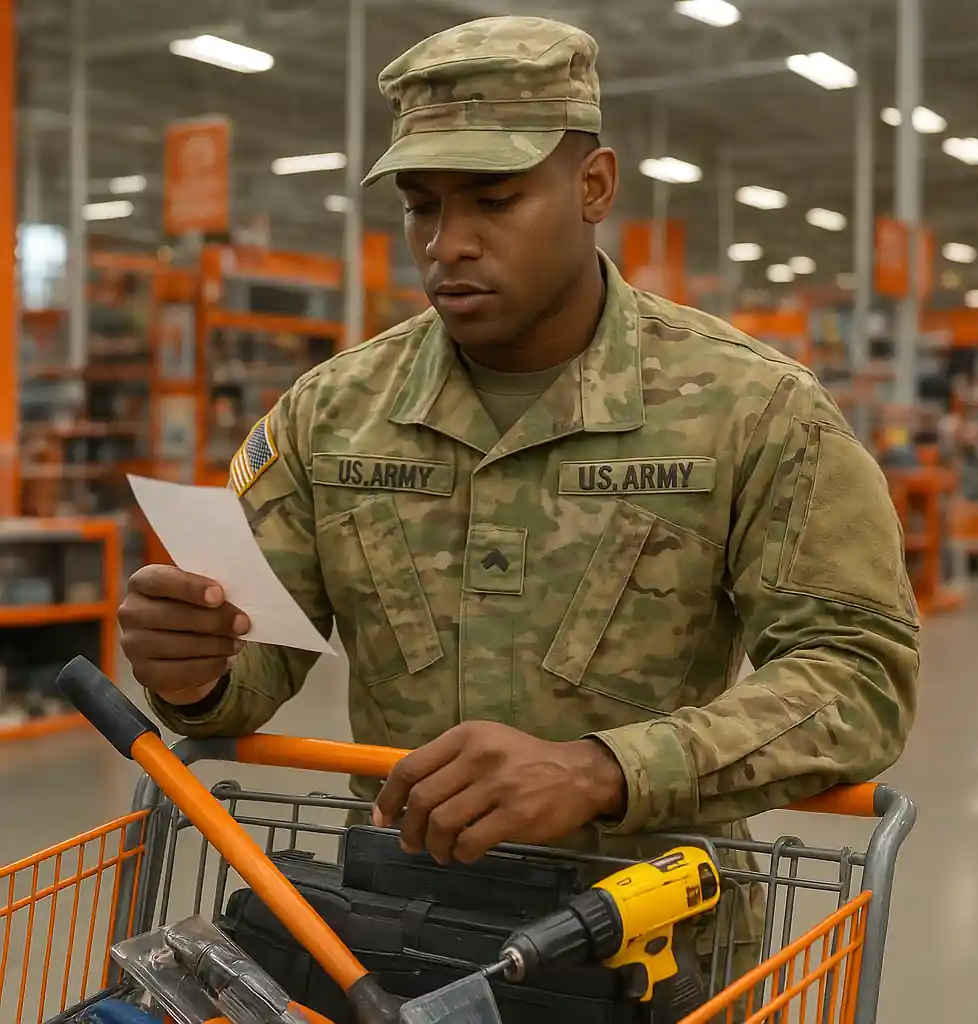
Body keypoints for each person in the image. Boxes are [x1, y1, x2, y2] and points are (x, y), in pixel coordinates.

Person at [119, 15, 918, 960]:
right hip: (396, 937)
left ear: (594, 186)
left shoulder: (753, 412)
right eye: (422, 206)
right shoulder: (329, 416)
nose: (448, 243)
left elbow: (859, 674)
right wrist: (195, 669)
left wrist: (606, 770)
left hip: (648, 947)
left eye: (493, 200)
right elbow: (251, 673)